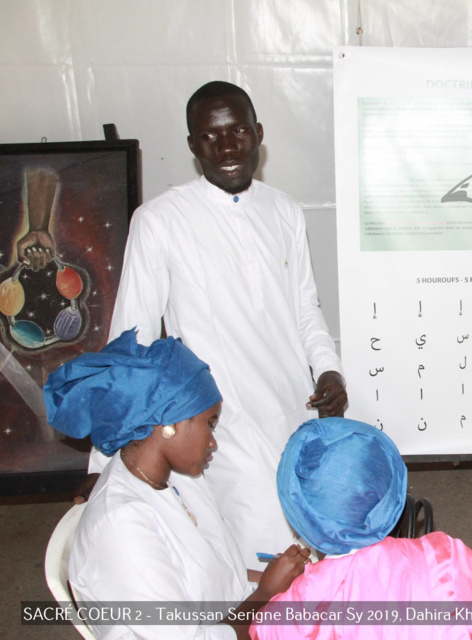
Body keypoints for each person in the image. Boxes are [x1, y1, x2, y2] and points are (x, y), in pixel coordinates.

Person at [90, 80, 348, 569]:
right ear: (192, 146)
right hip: (221, 428)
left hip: (296, 411)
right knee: (265, 560)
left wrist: (329, 370)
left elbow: (305, 308)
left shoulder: (284, 211)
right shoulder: (160, 220)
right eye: (210, 136)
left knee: (316, 556)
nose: (227, 147)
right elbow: (131, 340)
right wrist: (104, 464)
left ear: (258, 134)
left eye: (238, 132)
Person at [44, 329, 311, 640]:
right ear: (168, 423)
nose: (213, 443)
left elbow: (221, 578)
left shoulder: (179, 479)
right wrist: (265, 592)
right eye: (209, 424)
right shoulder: (122, 524)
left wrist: (279, 580)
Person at [250, 418, 472, 640]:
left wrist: (266, 593)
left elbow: (259, 631)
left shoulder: (297, 608)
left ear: (299, 515)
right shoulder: (446, 561)